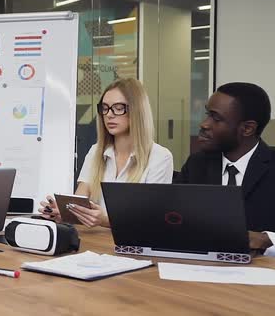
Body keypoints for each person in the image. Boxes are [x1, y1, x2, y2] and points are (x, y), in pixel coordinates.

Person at [38, 78, 173, 227]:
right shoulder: (96, 151)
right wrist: (66, 212)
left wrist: (104, 220)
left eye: (118, 107)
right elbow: (79, 201)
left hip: (133, 245)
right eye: (105, 108)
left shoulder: (160, 157)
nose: (109, 115)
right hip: (94, 243)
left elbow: (151, 220)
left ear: (137, 110)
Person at [175, 82, 275, 255]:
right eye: (207, 114)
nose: (204, 124)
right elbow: (172, 215)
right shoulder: (197, 164)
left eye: (216, 118)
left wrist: (266, 239)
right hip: (200, 268)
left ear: (247, 128)